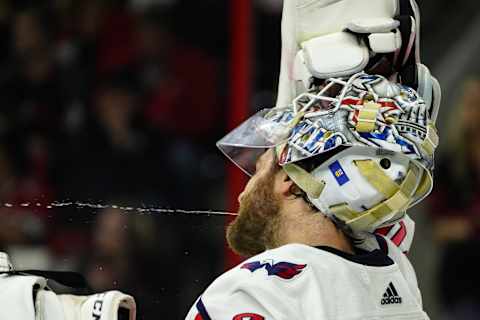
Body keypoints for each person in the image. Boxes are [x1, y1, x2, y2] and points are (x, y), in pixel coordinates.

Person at [186, 0, 441, 319]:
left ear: (290, 182)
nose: (242, 189)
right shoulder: (394, 271)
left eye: (261, 165)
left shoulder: (253, 292)